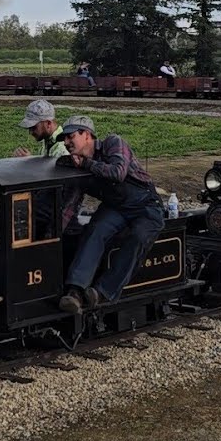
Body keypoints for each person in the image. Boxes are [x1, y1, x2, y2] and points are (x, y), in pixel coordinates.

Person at [55, 115, 164, 312]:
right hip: (116, 207)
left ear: (87, 134)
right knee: (94, 230)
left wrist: (87, 165)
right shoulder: (76, 164)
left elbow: (118, 172)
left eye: (70, 137)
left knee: (138, 237)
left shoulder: (113, 143)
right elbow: (71, 204)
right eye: (64, 139)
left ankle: (103, 292)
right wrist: (54, 236)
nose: (66, 142)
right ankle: (75, 291)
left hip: (145, 206)